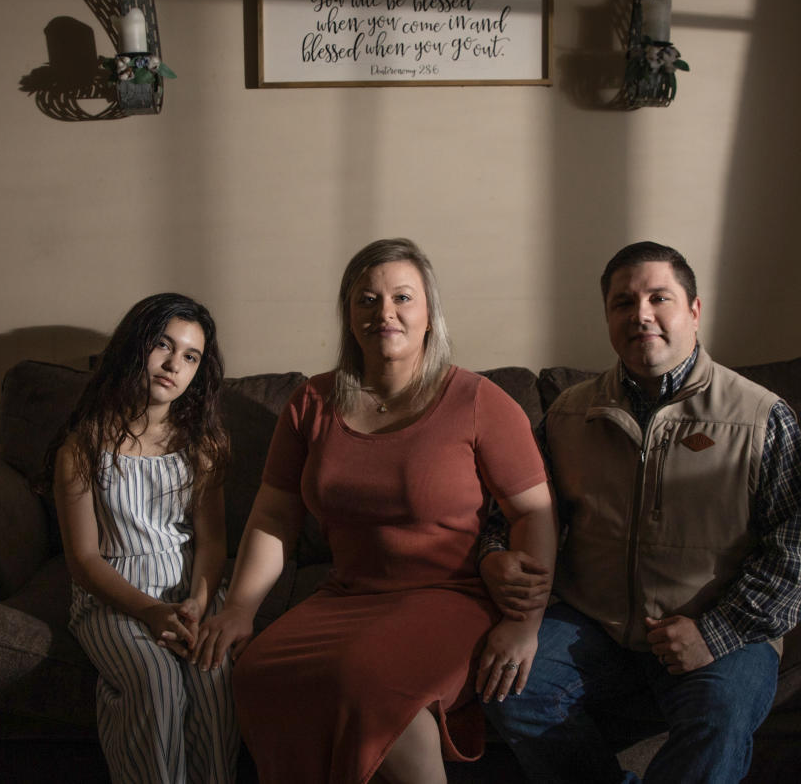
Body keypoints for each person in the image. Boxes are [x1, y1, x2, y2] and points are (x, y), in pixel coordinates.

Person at [193, 238, 557, 784]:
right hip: (348, 594)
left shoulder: (479, 401)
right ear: (348, 314)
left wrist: (524, 623)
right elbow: (274, 517)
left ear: (429, 313)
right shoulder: (311, 403)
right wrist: (240, 609)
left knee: (366, 682)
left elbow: (535, 513)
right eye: (366, 299)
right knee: (258, 674)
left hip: (452, 596)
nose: (384, 312)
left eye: (402, 297)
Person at [480, 241, 801, 783]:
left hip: (716, 624)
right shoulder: (569, 414)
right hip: (591, 623)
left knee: (719, 717)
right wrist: (495, 555)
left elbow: (800, 552)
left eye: (658, 298)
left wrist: (716, 632)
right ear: (607, 318)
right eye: (623, 303)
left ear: (693, 310)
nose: (640, 314)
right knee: (509, 689)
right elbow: (509, 512)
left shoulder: (762, 416)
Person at [48, 293, 239, 784]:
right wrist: (149, 612)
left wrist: (198, 603)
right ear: (136, 347)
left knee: (213, 674)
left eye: (191, 356)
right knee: (155, 680)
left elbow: (213, 542)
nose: (174, 364)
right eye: (163, 345)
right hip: (113, 596)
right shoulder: (83, 448)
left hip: (189, 591)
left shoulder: (204, 445)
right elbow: (84, 559)